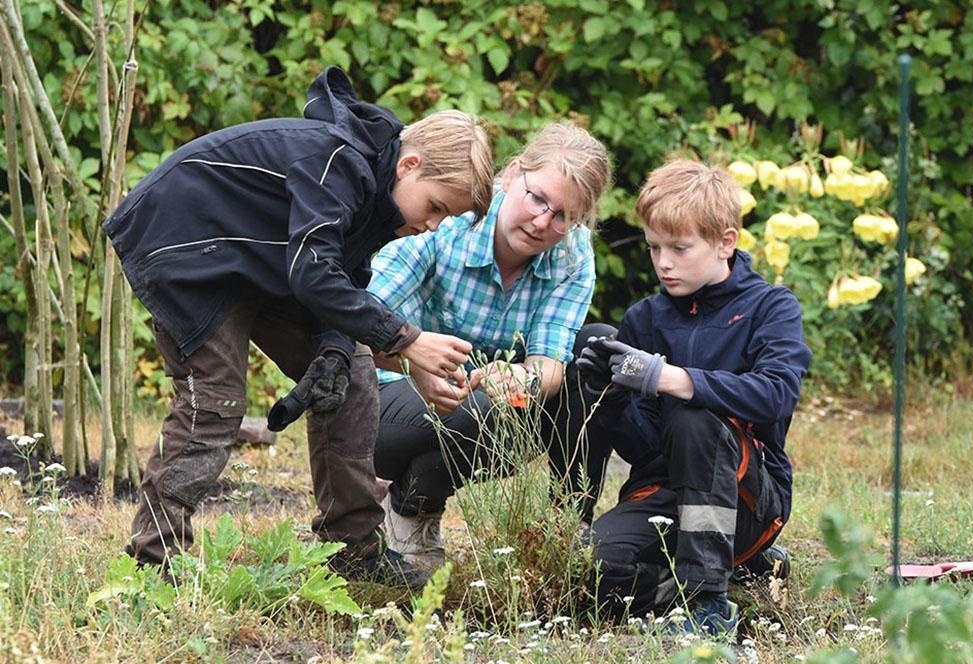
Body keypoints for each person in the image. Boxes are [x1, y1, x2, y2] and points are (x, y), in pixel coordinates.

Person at [103, 66, 494, 589]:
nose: (432, 225)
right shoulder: (340, 162)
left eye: (446, 218)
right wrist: (408, 341)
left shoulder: (381, 197)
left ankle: (353, 549)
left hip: (260, 261)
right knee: (215, 400)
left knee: (350, 372)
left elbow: (341, 277)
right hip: (188, 247)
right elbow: (313, 273)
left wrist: (335, 350)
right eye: (437, 207)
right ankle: (152, 563)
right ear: (410, 165)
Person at [576, 158, 812, 637]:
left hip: (748, 500)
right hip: (663, 494)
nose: (664, 262)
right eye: (654, 247)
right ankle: (742, 569)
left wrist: (675, 379)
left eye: (680, 248)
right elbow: (645, 450)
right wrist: (609, 397)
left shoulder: (771, 307)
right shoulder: (644, 319)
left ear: (726, 242)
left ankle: (708, 605)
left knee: (695, 417)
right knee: (595, 575)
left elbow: (777, 394)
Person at [366, 122, 613, 568]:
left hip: (490, 408)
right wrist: (415, 357)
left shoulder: (572, 255)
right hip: (385, 400)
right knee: (481, 409)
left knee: (598, 347)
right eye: (537, 198)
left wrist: (524, 378)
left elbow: (551, 362)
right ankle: (412, 512)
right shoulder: (449, 218)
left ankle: (565, 527)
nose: (542, 222)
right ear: (513, 174)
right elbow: (362, 320)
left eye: (563, 216)